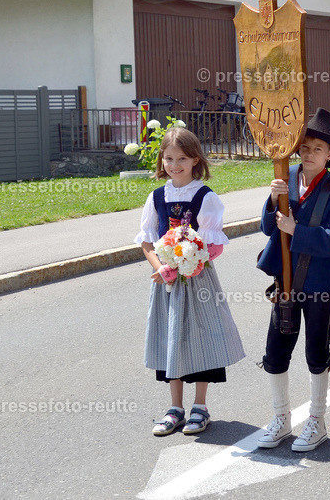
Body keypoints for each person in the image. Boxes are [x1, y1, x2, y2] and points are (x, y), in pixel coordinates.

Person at [254, 108, 330, 452]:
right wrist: (271, 198)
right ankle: (281, 418)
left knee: (315, 351)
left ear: (329, 156)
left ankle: (316, 420)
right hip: (285, 283)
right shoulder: (285, 177)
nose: (309, 154)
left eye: (317, 149)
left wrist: (298, 230)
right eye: (305, 147)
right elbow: (267, 228)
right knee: (275, 351)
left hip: (320, 286)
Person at [139, 127, 244, 437]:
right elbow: (147, 240)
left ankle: (200, 405)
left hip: (197, 279)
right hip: (166, 281)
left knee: (200, 336)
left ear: (195, 159)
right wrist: (162, 266)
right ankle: (175, 407)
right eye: (169, 158)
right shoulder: (157, 196)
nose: (175, 165)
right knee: (171, 337)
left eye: (182, 158)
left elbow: (213, 244)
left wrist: (189, 262)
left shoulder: (205, 196)